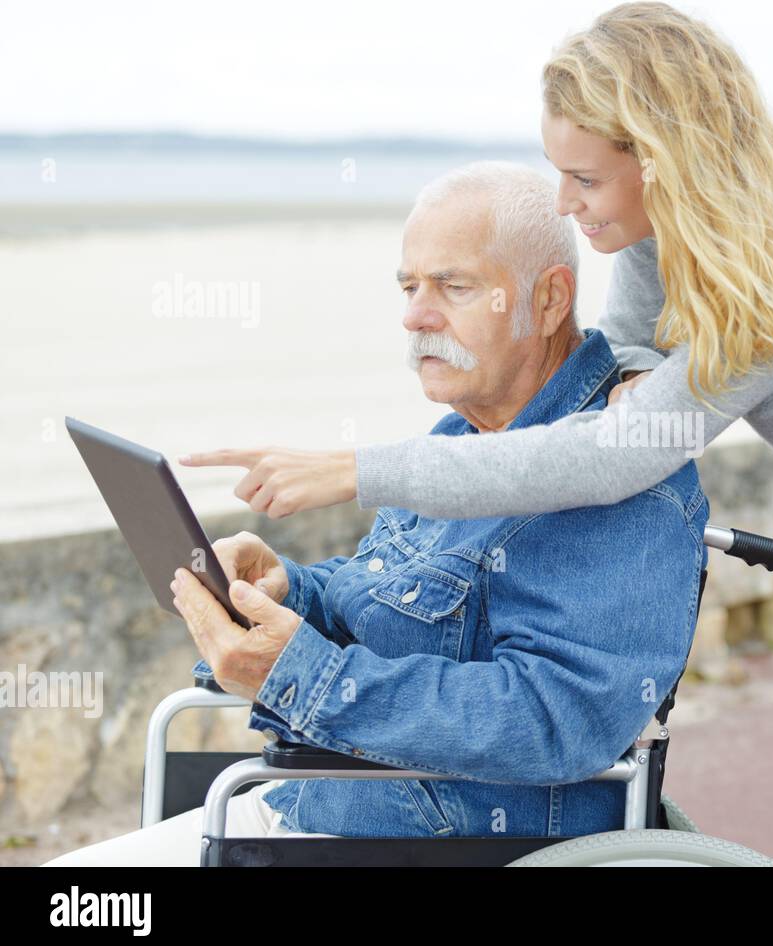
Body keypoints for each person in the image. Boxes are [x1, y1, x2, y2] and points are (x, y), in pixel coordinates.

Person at [183, 2, 773, 866]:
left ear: (665, 158)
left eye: (584, 178)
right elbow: (619, 377)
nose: (564, 201)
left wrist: (358, 469)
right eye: (557, 172)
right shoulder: (661, 237)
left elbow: (623, 449)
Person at [42, 160, 708, 865]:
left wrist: (300, 675)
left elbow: (553, 720)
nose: (416, 316)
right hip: (313, 806)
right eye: (409, 287)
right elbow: (398, 601)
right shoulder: (463, 438)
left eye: (453, 286)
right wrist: (290, 589)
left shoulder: (625, 476)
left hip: (439, 843)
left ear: (547, 302)